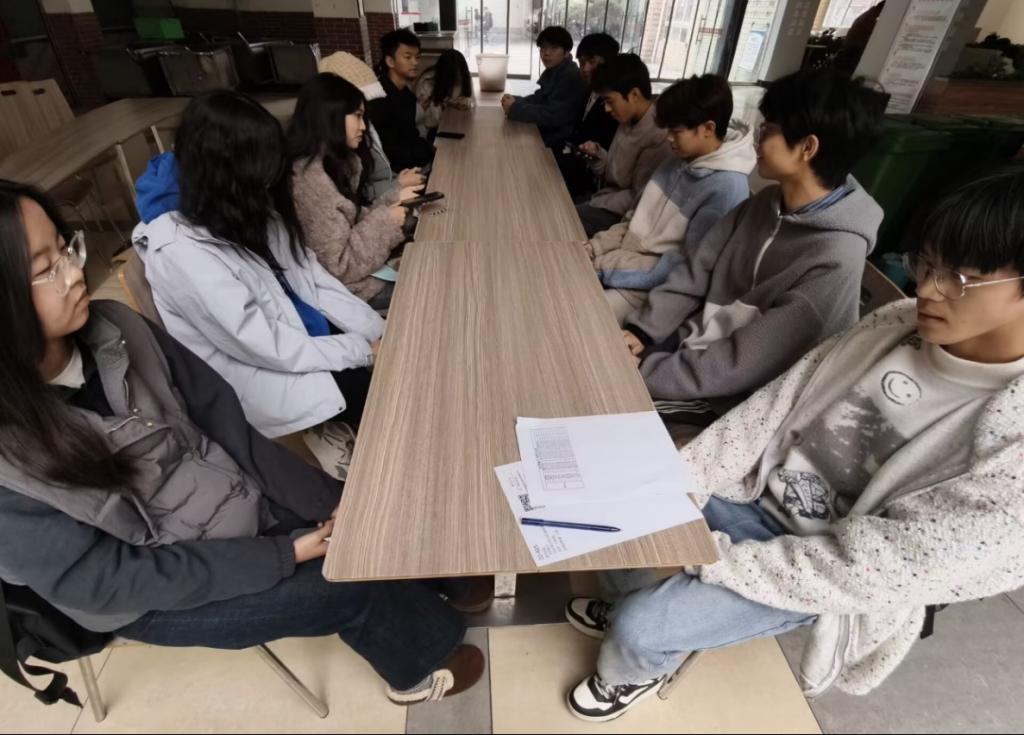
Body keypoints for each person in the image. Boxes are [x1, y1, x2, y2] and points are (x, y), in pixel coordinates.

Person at [0, 179, 486, 705]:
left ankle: (436, 582)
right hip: (155, 588)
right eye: (44, 269)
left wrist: (330, 501)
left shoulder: (117, 327)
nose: (74, 273)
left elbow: (225, 424)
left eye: (66, 249)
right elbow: (102, 580)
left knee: (366, 509)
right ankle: (416, 669)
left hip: (228, 494)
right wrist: (282, 554)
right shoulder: (9, 461)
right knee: (345, 583)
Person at [564, 166, 1024, 722]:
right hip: (755, 489)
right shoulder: (893, 324)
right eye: (927, 263)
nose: (927, 288)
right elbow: (774, 409)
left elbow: (873, 568)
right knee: (625, 505)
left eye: (961, 279)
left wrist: (714, 561)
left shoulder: (1013, 439)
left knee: (643, 627)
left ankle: (630, 670)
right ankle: (627, 604)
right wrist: (684, 481)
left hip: (821, 562)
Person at [618, 68, 886, 427]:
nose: (757, 139)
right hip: (689, 353)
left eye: (768, 130)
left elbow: (741, 363)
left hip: (734, 401)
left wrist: (647, 370)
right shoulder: (764, 203)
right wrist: (644, 331)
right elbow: (697, 272)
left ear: (807, 147)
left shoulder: (834, 258)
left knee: (602, 404)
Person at [132, 90, 383, 439]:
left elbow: (310, 276)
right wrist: (361, 351)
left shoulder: (239, 202)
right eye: (260, 173)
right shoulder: (179, 250)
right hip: (263, 371)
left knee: (400, 356)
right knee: (385, 397)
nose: (269, 183)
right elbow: (262, 343)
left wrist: (376, 332)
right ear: (226, 171)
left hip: (301, 335)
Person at [585, 74, 756, 323]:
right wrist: (595, 247)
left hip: (649, 289)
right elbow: (633, 219)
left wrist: (604, 265)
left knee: (576, 313)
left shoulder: (726, 189)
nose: (668, 138)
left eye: (676, 131)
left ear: (708, 129)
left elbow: (685, 269)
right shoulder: (678, 159)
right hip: (621, 265)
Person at [289, 74, 415, 311]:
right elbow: (340, 266)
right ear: (330, 116)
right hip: (350, 291)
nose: (363, 126)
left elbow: (355, 219)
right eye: (357, 116)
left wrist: (394, 197)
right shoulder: (309, 182)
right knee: (427, 280)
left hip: (359, 276)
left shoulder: (332, 164)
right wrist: (388, 221)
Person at [575, 53, 672, 237]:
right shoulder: (628, 119)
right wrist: (598, 155)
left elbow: (639, 199)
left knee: (563, 219)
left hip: (621, 216)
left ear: (634, 94)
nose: (606, 108)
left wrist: (596, 203)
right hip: (604, 199)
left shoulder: (658, 136)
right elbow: (615, 173)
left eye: (610, 101)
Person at [319, 51, 426, 202]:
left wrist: (398, 180)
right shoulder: (318, 166)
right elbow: (358, 198)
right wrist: (397, 185)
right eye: (357, 114)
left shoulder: (360, 129)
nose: (363, 125)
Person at [556, 32, 621, 198]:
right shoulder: (588, 91)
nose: (585, 69)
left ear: (609, 62)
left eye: (592, 62)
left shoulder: (615, 102)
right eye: (581, 62)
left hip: (592, 176)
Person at [501, 26, 587, 150]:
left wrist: (515, 107)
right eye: (543, 48)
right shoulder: (555, 70)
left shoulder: (571, 76)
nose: (546, 53)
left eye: (554, 48)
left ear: (567, 52)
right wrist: (516, 100)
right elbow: (539, 99)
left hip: (559, 143)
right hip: (547, 134)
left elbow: (553, 116)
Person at [368, 29, 435, 172]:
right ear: (390, 61)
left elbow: (411, 136)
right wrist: (431, 149)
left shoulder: (406, 94)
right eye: (408, 57)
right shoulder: (379, 99)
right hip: (398, 174)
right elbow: (392, 152)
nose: (415, 62)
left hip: (415, 162)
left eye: (417, 57)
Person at [414, 49, 475, 132]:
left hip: (458, 123)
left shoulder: (466, 76)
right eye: (454, 76)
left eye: (461, 74)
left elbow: (472, 104)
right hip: (432, 129)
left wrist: (467, 102)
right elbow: (426, 119)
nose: (459, 79)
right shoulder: (427, 81)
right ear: (445, 74)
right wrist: (444, 105)